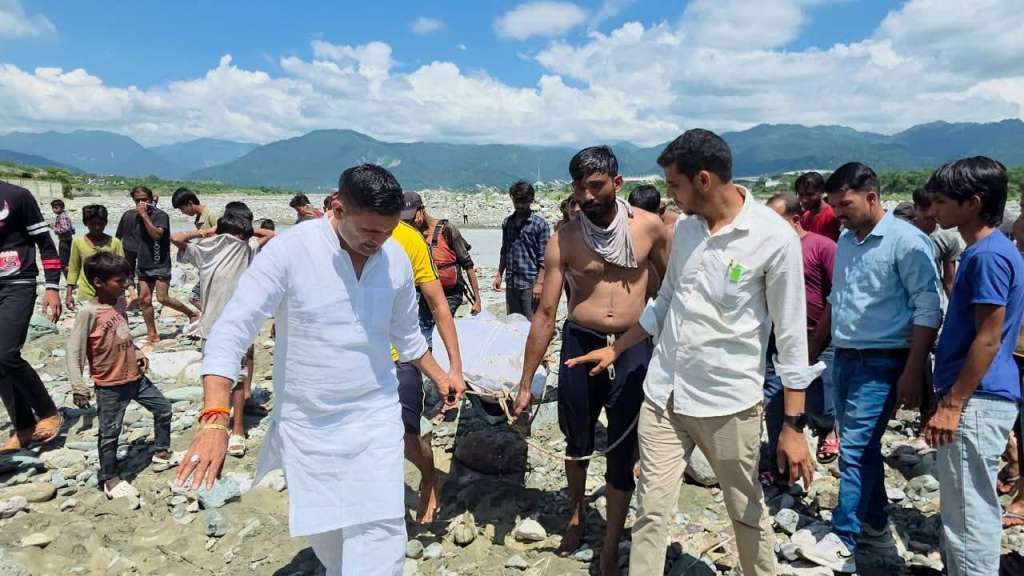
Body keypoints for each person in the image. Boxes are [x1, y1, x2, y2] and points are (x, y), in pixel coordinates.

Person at [176, 164, 460, 576]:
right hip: (308, 426)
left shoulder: (395, 258)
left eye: (386, 232)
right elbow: (231, 331)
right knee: (332, 541)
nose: (378, 242)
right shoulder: (290, 251)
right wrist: (215, 418)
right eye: (368, 231)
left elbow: (407, 335)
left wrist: (441, 375)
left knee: (381, 535)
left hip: (375, 417)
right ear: (337, 208)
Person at [566, 130, 817, 576]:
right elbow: (665, 304)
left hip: (728, 404)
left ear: (703, 180)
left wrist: (793, 426)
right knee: (651, 510)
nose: (670, 196)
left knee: (746, 510)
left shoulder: (772, 238)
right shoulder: (684, 230)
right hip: (664, 396)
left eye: (675, 185)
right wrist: (617, 349)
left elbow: (792, 338)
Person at [512, 146, 669, 575]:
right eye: (579, 188)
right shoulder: (565, 237)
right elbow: (546, 314)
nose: (586, 196)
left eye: (596, 186)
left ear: (617, 183)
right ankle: (577, 514)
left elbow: (672, 291)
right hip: (582, 343)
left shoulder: (648, 228)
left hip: (632, 345)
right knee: (577, 439)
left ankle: (611, 542)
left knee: (622, 448)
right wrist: (525, 383)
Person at [801, 163, 941, 574]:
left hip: (883, 361)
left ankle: (845, 538)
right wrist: (813, 347)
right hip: (845, 358)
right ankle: (875, 528)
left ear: (872, 197)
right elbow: (837, 299)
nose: (838, 214)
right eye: (833, 205)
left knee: (856, 448)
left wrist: (912, 372)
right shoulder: (846, 240)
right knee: (859, 450)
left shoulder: (907, 242)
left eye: (845, 204)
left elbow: (928, 308)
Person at [920, 157, 1023, 576]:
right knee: (966, 506)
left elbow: (988, 337)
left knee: (968, 514)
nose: (934, 209)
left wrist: (953, 404)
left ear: (973, 203)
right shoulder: (988, 251)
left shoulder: (987, 256)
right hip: (979, 396)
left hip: (977, 398)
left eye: (942, 201)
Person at [66, 252, 173, 499]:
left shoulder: (119, 302)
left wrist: (137, 352)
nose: (125, 284)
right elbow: (75, 350)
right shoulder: (88, 313)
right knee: (110, 433)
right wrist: (78, 386)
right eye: (119, 280)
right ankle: (110, 479)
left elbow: (122, 331)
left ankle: (162, 452)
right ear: (98, 282)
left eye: (126, 279)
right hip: (110, 385)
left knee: (163, 409)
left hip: (135, 377)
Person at [172, 202, 274, 457]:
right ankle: (215, 423)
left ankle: (237, 429)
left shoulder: (245, 249)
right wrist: (209, 231)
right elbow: (176, 238)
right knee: (214, 375)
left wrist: (246, 229)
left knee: (237, 378)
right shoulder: (206, 250)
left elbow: (273, 235)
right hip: (211, 325)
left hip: (238, 325)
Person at [765, 193, 839, 468]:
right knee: (776, 398)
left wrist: (818, 337)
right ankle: (779, 463)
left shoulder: (823, 247)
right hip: (780, 337)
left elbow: (836, 295)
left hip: (820, 335)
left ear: (795, 219)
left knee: (821, 400)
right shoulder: (769, 250)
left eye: (774, 220)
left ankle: (827, 428)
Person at [0, 181, 63, 452]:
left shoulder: (18, 196)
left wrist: (52, 286)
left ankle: (47, 411)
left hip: (17, 283)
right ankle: (24, 426)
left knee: (5, 353)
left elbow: (46, 244)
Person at [402, 191, 483, 336]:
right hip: (426, 294)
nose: (411, 222)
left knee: (442, 329)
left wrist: (477, 300)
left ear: (421, 210)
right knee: (424, 332)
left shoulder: (447, 230)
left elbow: (468, 265)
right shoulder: (412, 235)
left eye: (412, 217)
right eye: (406, 220)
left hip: (451, 293)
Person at [127, 185, 199, 343]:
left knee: (162, 297)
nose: (141, 203)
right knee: (144, 299)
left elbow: (157, 235)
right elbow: (129, 241)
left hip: (160, 261)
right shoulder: (132, 217)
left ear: (150, 199)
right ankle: (152, 333)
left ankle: (191, 313)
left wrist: (144, 215)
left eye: (144, 200)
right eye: (138, 200)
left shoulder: (160, 216)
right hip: (143, 262)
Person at [493, 181, 550, 320]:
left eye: (523, 202)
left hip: (530, 283)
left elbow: (544, 258)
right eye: (516, 201)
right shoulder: (508, 223)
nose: (519, 205)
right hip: (511, 282)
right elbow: (505, 250)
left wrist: (540, 284)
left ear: (531, 200)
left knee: (531, 323)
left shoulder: (540, 225)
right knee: (513, 323)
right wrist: (499, 274)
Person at [65, 204, 125, 311]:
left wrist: (126, 291)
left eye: (100, 224)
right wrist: (69, 294)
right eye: (93, 224)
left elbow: (122, 269)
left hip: (111, 294)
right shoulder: (78, 243)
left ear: (106, 223)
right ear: (85, 223)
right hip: (86, 294)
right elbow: (74, 268)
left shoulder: (115, 243)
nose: (97, 227)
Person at [911, 188, 965, 299]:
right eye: (923, 209)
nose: (928, 213)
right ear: (915, 208)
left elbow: (949, 281)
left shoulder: (948, 238)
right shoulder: (901, 235)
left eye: (930, 207)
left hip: (933, 299)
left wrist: (954, 305)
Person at [796, 171, 840, 241]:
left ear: (822, 191)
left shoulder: (831, 216)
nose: (804, 200)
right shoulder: (805, 217)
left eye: (810, 194)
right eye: (801, 195)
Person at [51, 199, 75, 278]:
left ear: (62, 207)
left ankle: (69, 280)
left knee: (64, 263)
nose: (54, 210)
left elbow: (65, 229)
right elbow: (72, 229)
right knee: (68, 261)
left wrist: (54, 228)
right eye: (53, 208)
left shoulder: (61, 216)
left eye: (56, 208)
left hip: (64, 241)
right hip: (69, 239)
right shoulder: (65, 215)